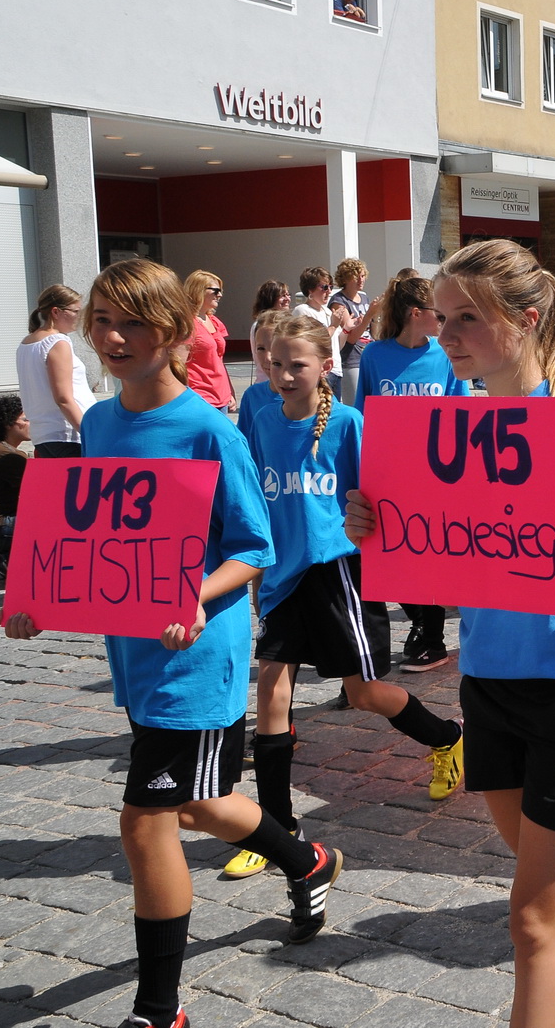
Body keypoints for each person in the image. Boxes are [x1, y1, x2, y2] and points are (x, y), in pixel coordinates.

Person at [0, 260, 340, 1028]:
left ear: (174, 332)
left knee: (144, 817)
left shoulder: (210, 428)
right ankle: (306, 858)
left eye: (132, 323)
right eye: (101, 320)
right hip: (134, 650)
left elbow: (253, 547)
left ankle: (160, 1010)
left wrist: (195, 595)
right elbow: (101, 540)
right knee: (195, 805)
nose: (112, 337)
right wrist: (42, 600)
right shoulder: (103, 424)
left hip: (196, 653)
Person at [344, 240, 555, 1028]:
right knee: (544, 878)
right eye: (441, 316)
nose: (446, 334)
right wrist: (374, 527)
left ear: (525, 321)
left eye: (466, 319)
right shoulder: (441, 432)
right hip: (486, 688)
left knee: (530, 915)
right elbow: (439, 561)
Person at [223, 315, 467, 881]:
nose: (283, 374)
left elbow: (386, 499)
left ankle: (448, 737)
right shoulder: (258, 422)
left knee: (363, 694)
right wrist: (258, 573)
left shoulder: (349, 424)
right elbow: (257, 508)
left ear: (325, 365)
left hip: (337, 575)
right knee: (270, 689)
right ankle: (278, 830)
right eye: (274, 362)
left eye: (296, 364)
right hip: (283, 578)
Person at [351, 275, 470, 672]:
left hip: (435, 475)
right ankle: (421, 621)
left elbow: (461, 414)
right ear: (415, 314)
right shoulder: (374, 355)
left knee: (429, 554)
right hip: (388, 474)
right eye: (436, 314)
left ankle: (431, 638)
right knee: (388, 556)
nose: (443, 323)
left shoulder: (444, 355)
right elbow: (363, 415)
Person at [17, 285, 97, 458]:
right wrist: (89, 433)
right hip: (67, 434)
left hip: (44, 435)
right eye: (76, 311)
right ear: (56, 312)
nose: (80, 316)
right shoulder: (57, 341)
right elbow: (63, 398)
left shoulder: (26, 343)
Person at [181, 270, 234, 414]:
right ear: (198, 290)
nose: (220, 295)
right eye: (216, 290)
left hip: (221, 396)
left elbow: (219, 360)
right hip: (199, 397)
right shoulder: (186, 324)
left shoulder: (215, 321)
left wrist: (230, 392)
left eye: (221, 291)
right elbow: (177, 364)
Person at [292, 267, 349, 397]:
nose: (329, 291)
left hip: (335, 370)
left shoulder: (328, 312)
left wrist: (347, 329)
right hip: (319, 372)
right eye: (324, 287)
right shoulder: (302, 311)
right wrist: (333, 326)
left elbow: (337, 345)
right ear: (310, 290)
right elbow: (313, 343)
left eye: (330, 286)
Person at [236, 310, 286, 448]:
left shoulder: (315, 397)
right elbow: (245, 444)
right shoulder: (252, 396)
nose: (268, 357)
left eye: (274, 347)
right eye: (261, 348)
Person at [329, 259, 374, 405]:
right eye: (356, 276)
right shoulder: (339, 301)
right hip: (351, 359)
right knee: (355, 405)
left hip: (367, 356)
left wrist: (376, 317)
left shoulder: (365, 297)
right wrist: (368, 316)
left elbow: (374, 333)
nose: (361, 280)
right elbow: (351, 337)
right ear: (346, 278)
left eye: (363, 275)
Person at [0, 395, 27, 569]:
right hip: (0, 527)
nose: (31, 423)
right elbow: (37, 492)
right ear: (8, 424)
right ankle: (11, 559)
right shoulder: (10, 456)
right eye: (25, 419)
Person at [250, 280, 292, 351]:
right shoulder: (261, 325)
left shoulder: (288, 321)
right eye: (282, 296)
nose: (287, 299)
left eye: (288, 295)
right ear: (270, 299)